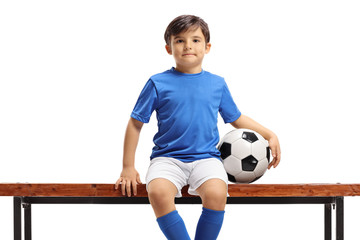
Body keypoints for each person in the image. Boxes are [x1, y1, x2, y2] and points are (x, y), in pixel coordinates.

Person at [115, 15, 281, 240]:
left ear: (207, 47)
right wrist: (128, 166)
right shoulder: (157, 82)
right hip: (167, 158)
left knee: (217, 192)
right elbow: (135, 124)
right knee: (157, 191)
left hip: (206, 159)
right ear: (168, 48)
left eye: (195, 40)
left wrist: (269, 134)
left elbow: (236, 117)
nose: (188, 46)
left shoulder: (217, 84)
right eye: (180, 41)